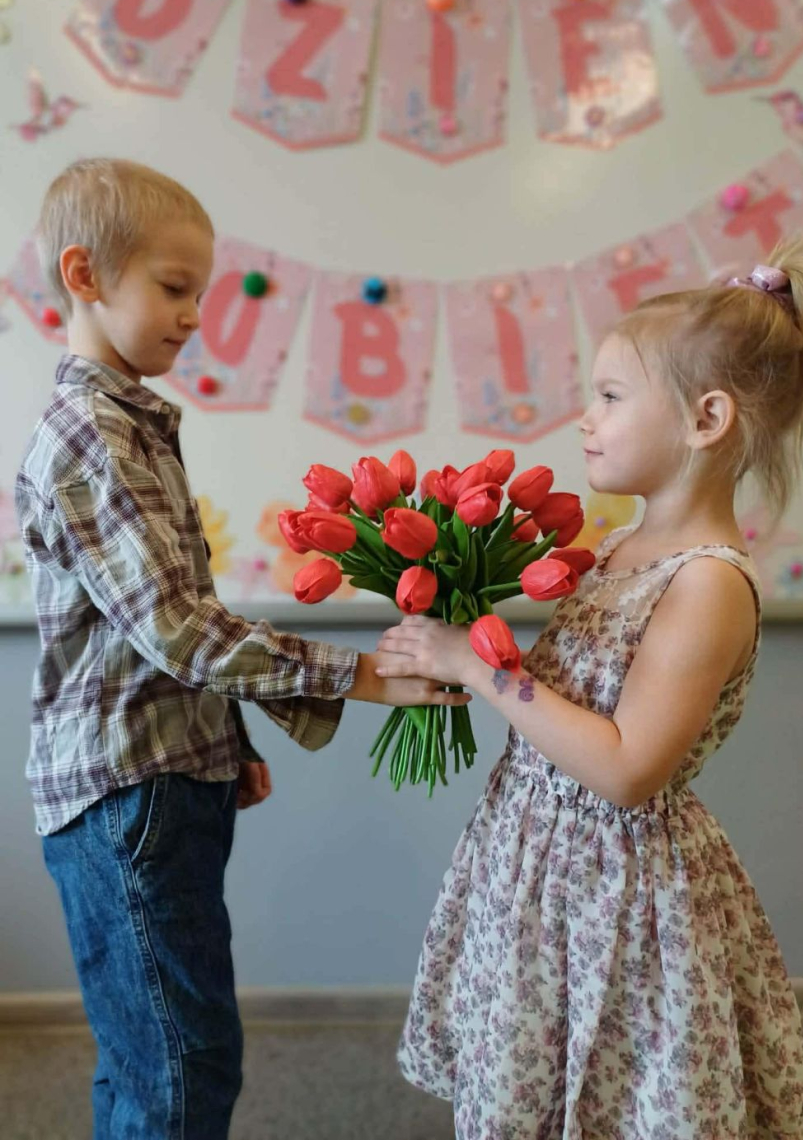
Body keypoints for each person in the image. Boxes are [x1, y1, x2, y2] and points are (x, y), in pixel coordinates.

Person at [15, 157, 468, 1140]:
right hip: (126, 792)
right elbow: (175, 629)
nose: (192, 317)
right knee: (180, 1066)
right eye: (173, 288)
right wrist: (361, 674)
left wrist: (227, 742)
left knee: (152, 1051)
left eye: (200, 294)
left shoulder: (129, 424)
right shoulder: (92, 434)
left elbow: (151, 624)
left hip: (163, 774)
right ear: (85, 275)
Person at [376, 239, 803, 1138]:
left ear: (706, 419)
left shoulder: (706, 583)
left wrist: (478, 665)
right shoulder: (619, 548)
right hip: (540, 870)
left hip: (617, 898)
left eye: (612, 397)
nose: (586, 418)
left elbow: (626, 770)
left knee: (614, 1105)